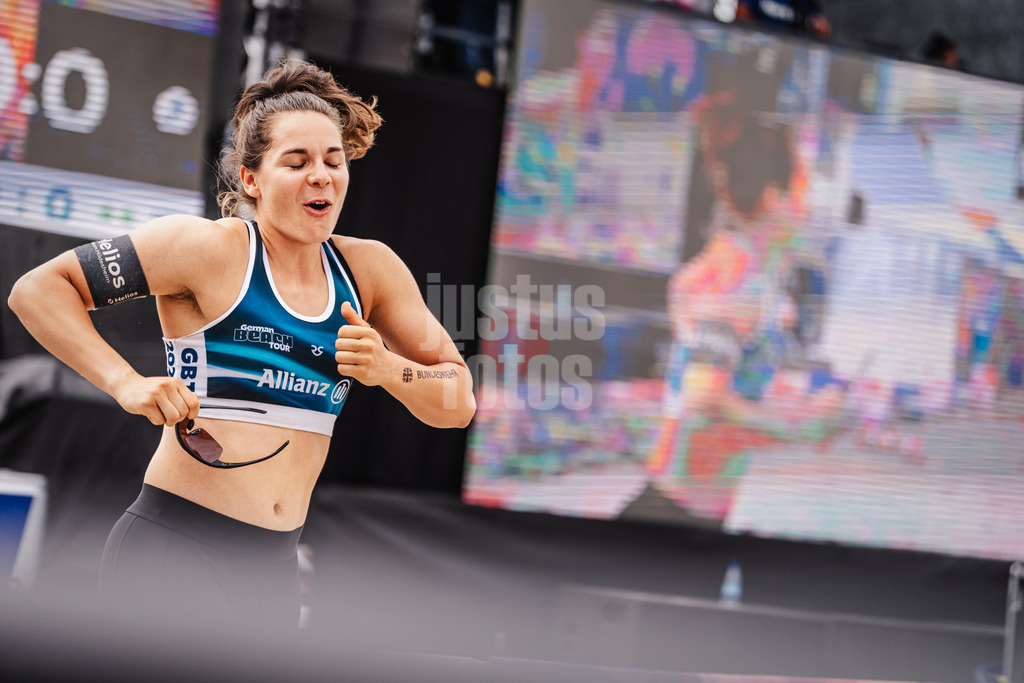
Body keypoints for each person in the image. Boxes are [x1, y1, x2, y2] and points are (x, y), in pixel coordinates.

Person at [7, 60, 476, 631]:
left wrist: (388, 369)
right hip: (173, 548)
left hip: (273, 570)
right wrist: (123, 381)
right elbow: (37, 290)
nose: (322, 176)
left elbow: (458, 401)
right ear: (251, 179)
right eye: (297, 162)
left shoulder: (369, 269)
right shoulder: (204, 249)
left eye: (334, 161)